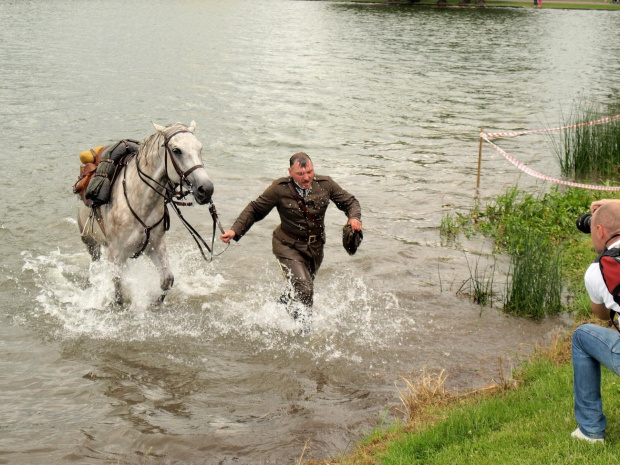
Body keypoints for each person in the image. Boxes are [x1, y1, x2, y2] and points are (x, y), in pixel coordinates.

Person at [220, 152, 362, 319]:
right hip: (287, 246)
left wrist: (354, 218)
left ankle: (275, 314)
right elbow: (255, 209)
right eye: (300, 174)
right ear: (290, 172)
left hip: (315, 249)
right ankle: (304, 332)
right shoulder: (280, 188)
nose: (306, 177)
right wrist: (235, 230)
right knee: (305, 289)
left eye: (309, 172)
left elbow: (350, 202)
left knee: (299, 289)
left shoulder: (325, 184)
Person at [571, 201, 620, 443]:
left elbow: (600, 315)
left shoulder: (596, 271)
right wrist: (613, 205)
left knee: (582, 336)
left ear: (600, 231)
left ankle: (590, 431)